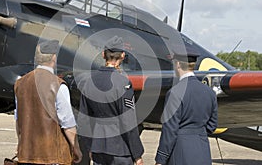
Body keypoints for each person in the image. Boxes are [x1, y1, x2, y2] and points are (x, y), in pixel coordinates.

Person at [78, 36, 144, 165]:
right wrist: (137, 154)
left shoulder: (89, 82)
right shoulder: (123, 83)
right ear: (123, 56)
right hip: (120, 149)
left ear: (103, 55)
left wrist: (90, 146)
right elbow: (128, 122)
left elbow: (83, 120)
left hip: (98, 147)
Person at [14, 39, 82, 165]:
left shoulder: (20, 83)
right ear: (54, 58)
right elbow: (67, 123)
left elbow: (19, 120)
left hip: (26, 156)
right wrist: (76, 149)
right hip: (52, 157)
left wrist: (22, 145)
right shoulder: (58, 85)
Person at [155, 46, 218, 165]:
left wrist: (160, 159)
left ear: (177, 64)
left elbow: (170, 130)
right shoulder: (209, 92)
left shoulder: (175, 92)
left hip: (180, 153)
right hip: (203, 151)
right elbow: (212, 126)